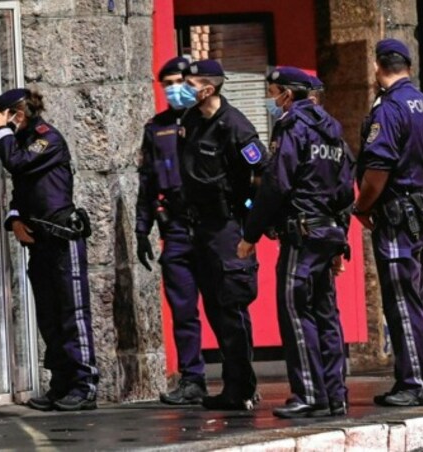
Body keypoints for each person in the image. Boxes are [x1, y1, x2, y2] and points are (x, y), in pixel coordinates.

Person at [238, 67, 353, 418]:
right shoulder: (333, 131)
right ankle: (336, 396)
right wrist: (340, 241)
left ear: (288, 94)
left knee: (295, 312)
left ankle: (307, 394)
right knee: (327, 315)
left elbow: (277, 183)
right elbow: (345, 190)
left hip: (301, 236)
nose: (272, 100)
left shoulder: (292, 128)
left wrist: (250, 234)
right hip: (328, 232)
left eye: (273, 93)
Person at [0, 88, 98, 411]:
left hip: (63, 238)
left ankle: (84, 384)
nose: (2, 125)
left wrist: (1, 129)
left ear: (17, 114)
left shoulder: (47, 138)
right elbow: (22, 191)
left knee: (72, 314)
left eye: (5, 117)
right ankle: (61, 383)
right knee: (49, 316)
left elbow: (16, 165)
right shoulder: (22, 141)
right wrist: (14, 220)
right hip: (40, 241)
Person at [177, 59, 270, 410]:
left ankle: (242, 388)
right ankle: (234, 387)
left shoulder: (235, 127)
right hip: (199, 228)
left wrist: (252, 223)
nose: (184, 87)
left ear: (209, 88)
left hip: (227, 227)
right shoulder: (190, 122)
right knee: (215, 308)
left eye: (191, 82)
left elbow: (263, 175)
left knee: (232, 308)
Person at [353, 39, 423, 407]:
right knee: (415, 301)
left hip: (398, 214)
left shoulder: (389, 108)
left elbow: (378, 169)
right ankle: (418, 380)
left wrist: (361, 207)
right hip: (422, 209)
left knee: (402, 303)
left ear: (378, 66)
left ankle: (415, 383)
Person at [135, 57, 208, 405]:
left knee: (225, 307)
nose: (173, 88)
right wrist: (141, 229)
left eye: (179, 80)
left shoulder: (211, 122)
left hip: (212, 226)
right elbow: (147, 183)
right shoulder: (156, 128)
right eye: (167, 83)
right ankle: (193, 379)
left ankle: (240, 379)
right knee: (182, 309)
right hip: (176, 227)